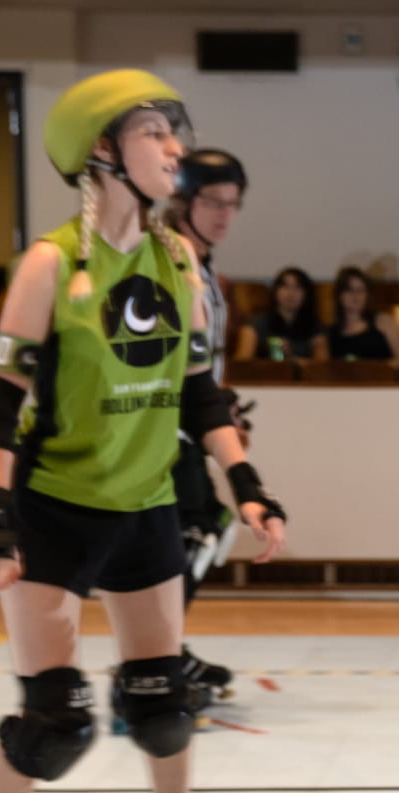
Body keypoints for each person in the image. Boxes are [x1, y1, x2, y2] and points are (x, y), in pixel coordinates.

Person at [0, 70, 287, 793]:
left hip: (143, 509)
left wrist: (248, 485)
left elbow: (200, 393)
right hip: (53, 513)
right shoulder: (49, 266)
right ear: (102, 152)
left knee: (162, 702)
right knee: (52, 721)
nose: (173, 149)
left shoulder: (178, 263)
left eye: (173, 134)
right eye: (153, 133)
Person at [157, 146, 249, 711]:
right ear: (185, 200)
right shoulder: (171, 259)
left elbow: (200, 360)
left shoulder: (202, 262)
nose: (223, 214)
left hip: (189, 424)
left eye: (233, 204)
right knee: (193, 535)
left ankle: (162, 653)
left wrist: (223, 410)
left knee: (201, 531)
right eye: (212, 201)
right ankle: (153, 662)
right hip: (163, 429)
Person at [233, 266, 321, 362]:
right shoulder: (254, 325)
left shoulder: (316, 328)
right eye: (285, 286)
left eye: (298, 287)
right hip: (261, 375)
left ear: (307, 293)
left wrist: (291, 357)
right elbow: (241, 364)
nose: (291, 293)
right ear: (275, 291)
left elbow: (322, 368)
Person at [325, 265, 399, 364]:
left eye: (360, 290)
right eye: (349, 290)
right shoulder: (331, 333)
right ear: (339, 295)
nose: (355, 295)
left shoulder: (383, 321)